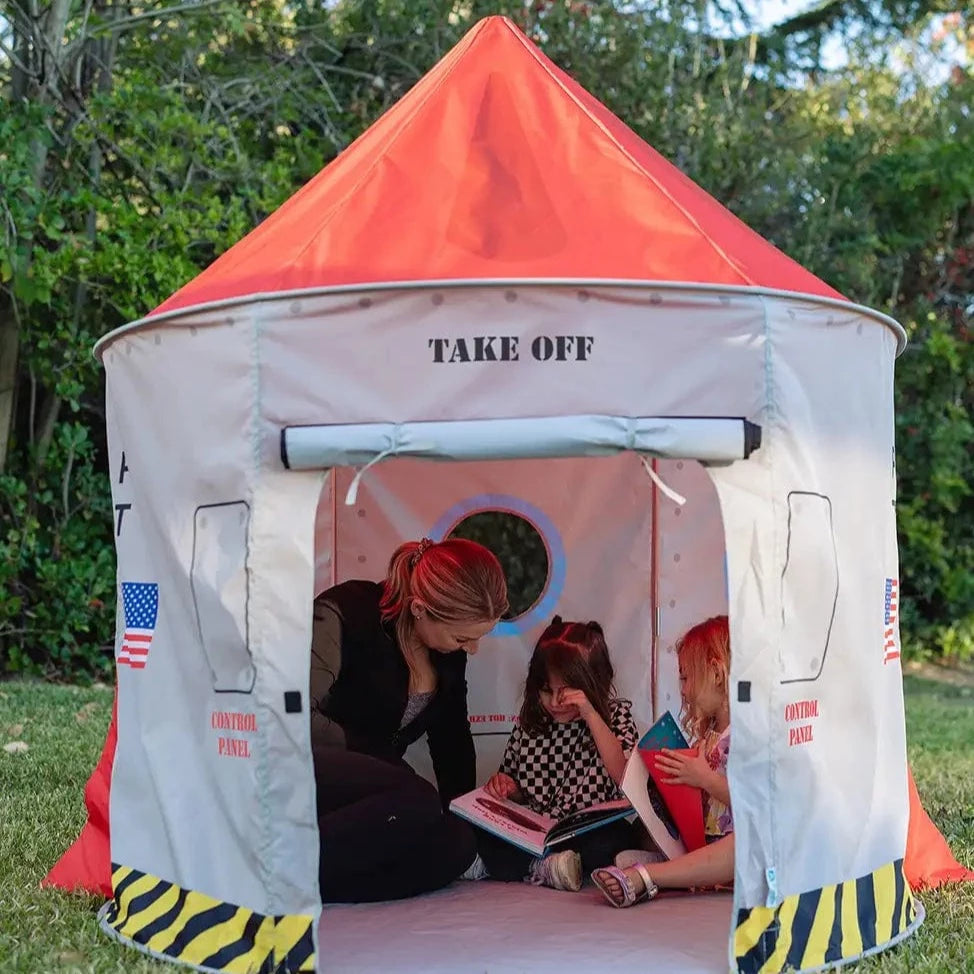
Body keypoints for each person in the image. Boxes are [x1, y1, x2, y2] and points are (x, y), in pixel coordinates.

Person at [310, 536, 508, 903]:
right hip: (306, 768)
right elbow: (290, 717)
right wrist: (375, 758)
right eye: (464, 637)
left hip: (377, 788)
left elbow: (452, 742)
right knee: (417, 800)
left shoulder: (448, 654)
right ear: (420, 609)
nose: (472, 648)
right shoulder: (345, 612)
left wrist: (467, 814)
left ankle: (314, 885)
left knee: (456, 845)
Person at [461, 617, 639, 892]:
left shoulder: (615, 717)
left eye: (566, 692)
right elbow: (513, 781)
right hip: (534, 832)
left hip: (585, 833)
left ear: (592, 683)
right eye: (546, 690)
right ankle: (542, 867)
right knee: (473, 831)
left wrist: (590, 713)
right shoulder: (532, 722)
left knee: (616, 841)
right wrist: (508, 788)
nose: (555, 702)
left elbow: (626, 778)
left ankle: (523, 866)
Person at [592, 615, 734, 907]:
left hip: (733, 849)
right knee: (635, 836)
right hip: (700, 842)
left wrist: (705, 779)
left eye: (685, 677)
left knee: (744, 847)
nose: (682, 689)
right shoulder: (707, 735)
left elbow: (758, 806)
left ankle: (652, 875)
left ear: (716, 674)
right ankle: (670, 869)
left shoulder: (749, 734)